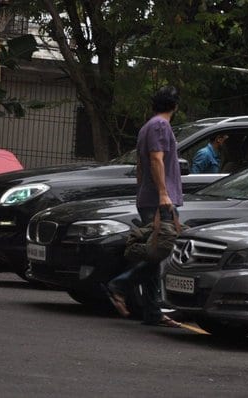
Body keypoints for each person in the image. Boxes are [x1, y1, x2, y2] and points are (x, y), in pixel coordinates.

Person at [105, 86, 183, 328]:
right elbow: (156, 159)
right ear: (175, 106)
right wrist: (162, 193)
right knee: (160, 250)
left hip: (148, 197)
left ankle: (152, 311)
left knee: (155, 253)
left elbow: (140, 166)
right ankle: (120, 284)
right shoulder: (161, 126)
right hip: (160, 199)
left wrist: (144, 191)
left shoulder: (147, 126)